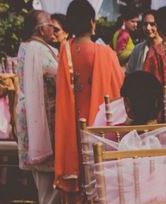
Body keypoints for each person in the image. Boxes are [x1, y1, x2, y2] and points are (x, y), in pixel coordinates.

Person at [54, 0, 123, 194]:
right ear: (92, 22)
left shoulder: (65, 50)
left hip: (72, 117)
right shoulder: (103, 52)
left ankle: (78, 203)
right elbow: (118, 87)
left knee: (77, 158)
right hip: (97, 115)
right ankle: (95, 202)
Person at [17, 10, 60, 204]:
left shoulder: (25, 47)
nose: (52, 29)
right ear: (42, 29)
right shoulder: (38, 49)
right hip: (42, 109)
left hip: (31, 107)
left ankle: (46, 201)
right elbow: (53, 74)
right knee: (44, 155)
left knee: (38, 153)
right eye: (50, 25)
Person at [125, 10, 159, 76]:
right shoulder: (137, 49)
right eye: (145, 24)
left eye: (152, 24)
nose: (148, 28)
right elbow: (129, 74)